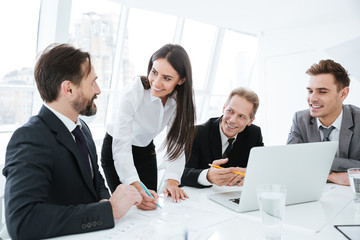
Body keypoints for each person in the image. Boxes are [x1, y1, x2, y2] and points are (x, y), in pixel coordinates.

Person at [2, 44, 142, 240]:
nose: (98, 90)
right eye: (92, 82)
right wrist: (108, 210)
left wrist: (107, 200)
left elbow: (96, 181)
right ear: (68, 89)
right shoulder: (30, 138)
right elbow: (22, 220)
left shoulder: (82, 128)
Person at [101, 44, 196, 209]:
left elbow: (177, 144)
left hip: (145, 150)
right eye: (154, 72)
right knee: (129, 206)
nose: (156, 83)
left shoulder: (180, 101)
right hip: (117, 148)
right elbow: (121, 147)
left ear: (181, 80)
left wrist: (172, 181)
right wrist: (135, 186)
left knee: (150, 205)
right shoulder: (134, 92)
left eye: (167, 78)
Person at [287, 59, 360, 186]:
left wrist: (312, 163)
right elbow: (291, 163)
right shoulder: (300, 119)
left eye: (322, 92)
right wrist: (332, 176)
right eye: (310, 91)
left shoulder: (358, 119)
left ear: (343, 94)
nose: (312, 99)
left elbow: (301, 163)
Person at [181, 87, 264, 188]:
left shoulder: (254, 134)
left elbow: (263, 165)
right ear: (224, 108)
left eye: (241, 116)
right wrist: (208, 176)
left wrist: (250, 172)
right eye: (230, 111)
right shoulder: (195, 133)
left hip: (230, 196)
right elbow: (180, 173)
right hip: (197, 197)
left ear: (250, 121)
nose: (232, 120)